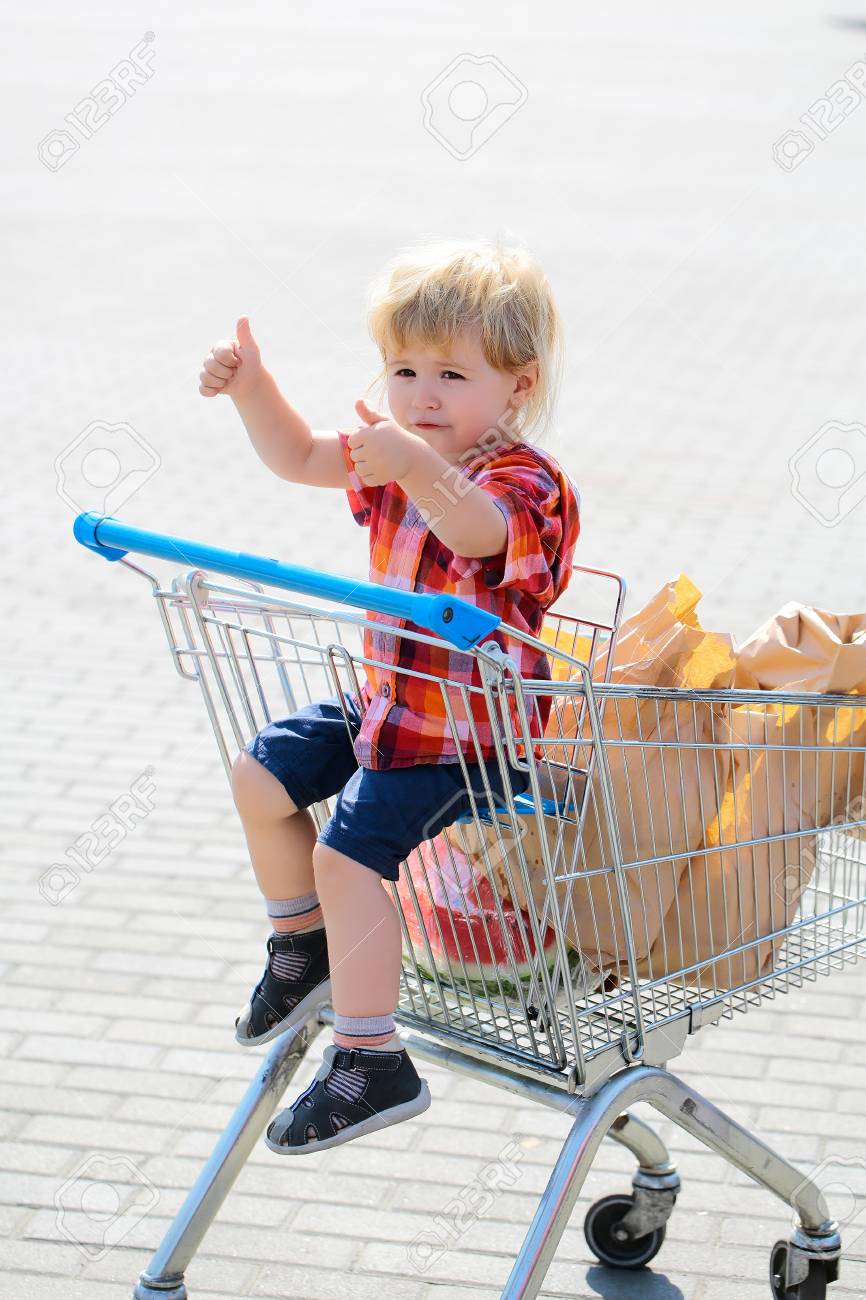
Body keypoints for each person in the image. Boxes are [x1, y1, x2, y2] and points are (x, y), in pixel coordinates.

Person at [198, 237, 582, 1155]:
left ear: (517, 385)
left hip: (470, 737)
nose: (422, 394)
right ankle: (304, 950)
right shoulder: (404, 455)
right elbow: (296, 456)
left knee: (347, 855)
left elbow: (479, 530)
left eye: (453, 373)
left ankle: (373, 1059)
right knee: (259, 775)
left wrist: (410, 460)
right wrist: (252, 386)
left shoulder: (526, 483)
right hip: (394, 705)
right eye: (405, 369)